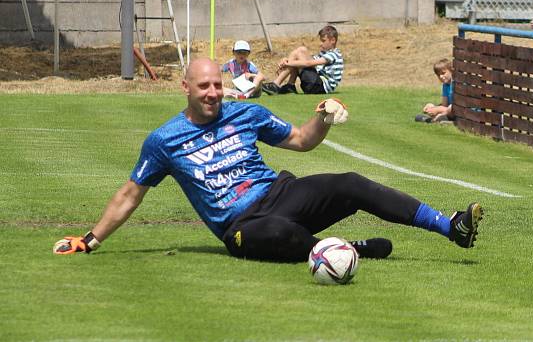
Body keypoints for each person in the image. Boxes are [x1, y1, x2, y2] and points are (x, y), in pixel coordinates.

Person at [53, 58, 484, 262]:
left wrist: (322, 118)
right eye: (204, 86)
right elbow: (131, 194)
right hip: (242, 226)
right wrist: (89, 240)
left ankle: (451, 227)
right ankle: (347, 251)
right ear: (185, 86)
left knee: (351, 182)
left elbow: (300, 141)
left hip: (282, 193)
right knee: (276, 232)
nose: (213, 93)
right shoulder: (164, 140)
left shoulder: (246, 112)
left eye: (218, 85)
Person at [263, 25, 344, 96]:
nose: (320, 44)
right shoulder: (325, 53)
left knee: (301, 51)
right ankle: (290, 85)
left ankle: (276, 84)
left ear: (333, 40)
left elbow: (309, 63)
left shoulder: (334, 54)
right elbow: (308, 60)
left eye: (323, 41)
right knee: (299, 52)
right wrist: (287, 60)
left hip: (320, 87)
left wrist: (288, 64)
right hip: (315, 84)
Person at [415, 58, 454, 123]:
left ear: (451, 71)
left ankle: (438, 118)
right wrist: (433, 108)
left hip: (457, 111)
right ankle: (438, 117)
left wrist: (439, 109)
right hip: (449, 110)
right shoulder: (445, 85)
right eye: (438, 75)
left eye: (443, 73)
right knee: (431, 106)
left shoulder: (457, 84)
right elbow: (444, 105)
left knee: (451, 107)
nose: (441, 76)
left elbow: (455, 106)